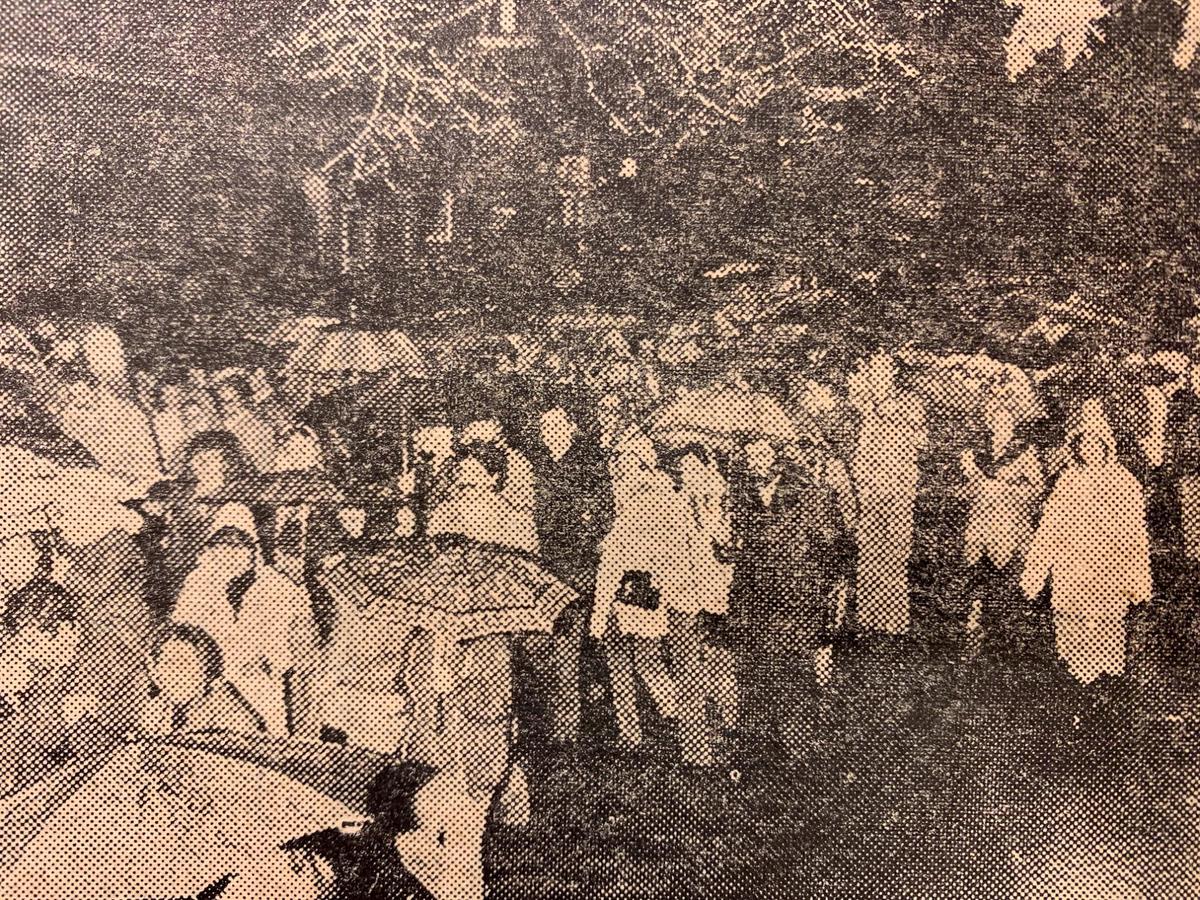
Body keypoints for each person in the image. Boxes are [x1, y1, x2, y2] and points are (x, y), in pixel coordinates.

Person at [1021, 400, 1152, 686]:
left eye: (1096, 444)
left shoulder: (1125, 482)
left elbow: (1136, 535)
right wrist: (1035, 574)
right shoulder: (1067, 481)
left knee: (1106, 630)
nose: (1089, 449)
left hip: (1108, 570)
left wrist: (1138, 580)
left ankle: (1105, 689)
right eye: (1084, 444)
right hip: (1071, 569)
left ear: (1106, 446)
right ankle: (1076, 685)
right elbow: (1048, 530)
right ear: (1076, 447)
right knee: (1072, 632)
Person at [730, 438, 842, 757]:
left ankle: (800, 744)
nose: (756, 462)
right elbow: (744, 539)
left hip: (797, 595)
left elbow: (832, 544)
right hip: (760, 596)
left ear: (778, 457)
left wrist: (816, 584)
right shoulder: (745, 493)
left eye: (763, 454)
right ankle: (766, 741)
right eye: (750, 455)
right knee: (762, 668)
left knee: (795, 667)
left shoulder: (807, 491)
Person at [172, 524, 316, 737]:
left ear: (251, 556)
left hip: (257, 680)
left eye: (238, 554)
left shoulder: (277, 586)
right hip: (204, 681)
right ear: (209, 554)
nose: (228, 566)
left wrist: (270, 665)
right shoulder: (197, 582)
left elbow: (290, 648)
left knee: (269, 730)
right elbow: (181, 633)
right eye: (221, 557)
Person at [525, 405, 613, 748]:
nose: (549, 431)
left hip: (578, 567)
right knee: (549, 649)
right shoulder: (541, 464)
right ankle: (563, 722)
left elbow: (606, 513)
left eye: (555, 424)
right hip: (547, 565)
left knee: (568, 648)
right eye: (544, 425)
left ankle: (566, 734)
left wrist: (588, 540)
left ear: (571, 426)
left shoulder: (588, 462)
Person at [590, 431, 682, 753]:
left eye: (629, 458)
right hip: (619, 591)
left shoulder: (654, 496)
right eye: (620, 459)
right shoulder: (620, 496)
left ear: (643, 461)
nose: (622, 465)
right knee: (621, 664)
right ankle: (631, 732)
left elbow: (659, 548)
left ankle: (675, 716)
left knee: (646, 662)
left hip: (641, 591)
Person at [960, 398, 1046, 659]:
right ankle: (974, 645)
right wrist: (975, 482)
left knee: (1010, 589)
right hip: (980, 531)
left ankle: (1009, 648)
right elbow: (963, 493)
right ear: (990, 423)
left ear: (1013, 424)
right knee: (978, 588)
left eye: (1006, 421)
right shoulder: (976, 455)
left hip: (1011, 532)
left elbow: (1038, 490)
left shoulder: (1025, 452)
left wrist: (1004, 490)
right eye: (996, 421)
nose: (1001, 426)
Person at [849, 351, 927, 637]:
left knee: (894, 555)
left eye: (883, 370)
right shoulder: (866, 409)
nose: (878, 376)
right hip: (871, 492)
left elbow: (921, 442)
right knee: (869, 555)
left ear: (892, 374)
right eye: (874, 371)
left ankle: (893, 622)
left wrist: (897, 420)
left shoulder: (909, 403)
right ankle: (868, 620)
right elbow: (860, 454)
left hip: (898, 491)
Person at [137, 624, 265, 735]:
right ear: (155, 673)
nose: (178, 674)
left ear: (207, 670)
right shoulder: (154, 710)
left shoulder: (230, 710)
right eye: (168, 663)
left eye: (187, 664)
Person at [427, 448, 538, 554]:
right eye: (461, 486)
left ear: (494, 478)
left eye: (471, 485)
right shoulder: (447, 511)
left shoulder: (513, 518)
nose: (463, 494)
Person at [215, 374, 279, 473]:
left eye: (231, 402)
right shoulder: (228, 423)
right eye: (223, 402)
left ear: (245, 399)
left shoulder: (256, 423)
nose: (227, 408)